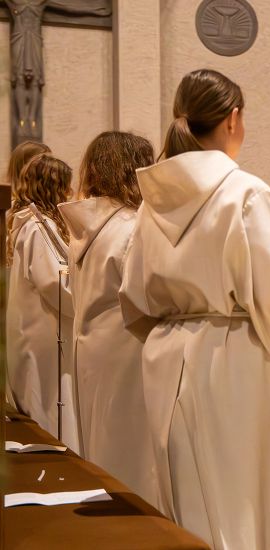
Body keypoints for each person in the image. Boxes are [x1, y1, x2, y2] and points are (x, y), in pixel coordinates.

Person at [118, 69, 270, 549]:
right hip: (236, 366)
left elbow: (132, 297)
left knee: (187, 506)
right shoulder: (245, 193)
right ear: (233, 119)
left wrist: (173, 330)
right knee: (245, 507)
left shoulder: (152, 203)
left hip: (166, 360)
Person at [57, 131, 158, 507]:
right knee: (135, 459)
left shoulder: (86, 225)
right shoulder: (132, 227)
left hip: (93, 353)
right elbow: (149, 300)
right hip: (128, 351)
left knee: (103, 449)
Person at [5, 152, 80, 452]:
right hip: (44, 337)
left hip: (40, 333)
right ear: (53, 187)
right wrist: (91, 294)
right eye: (66, 186)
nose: (70, 194)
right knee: (49, 405)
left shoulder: (36, 223)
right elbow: (55, 283)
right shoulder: (37, 227)